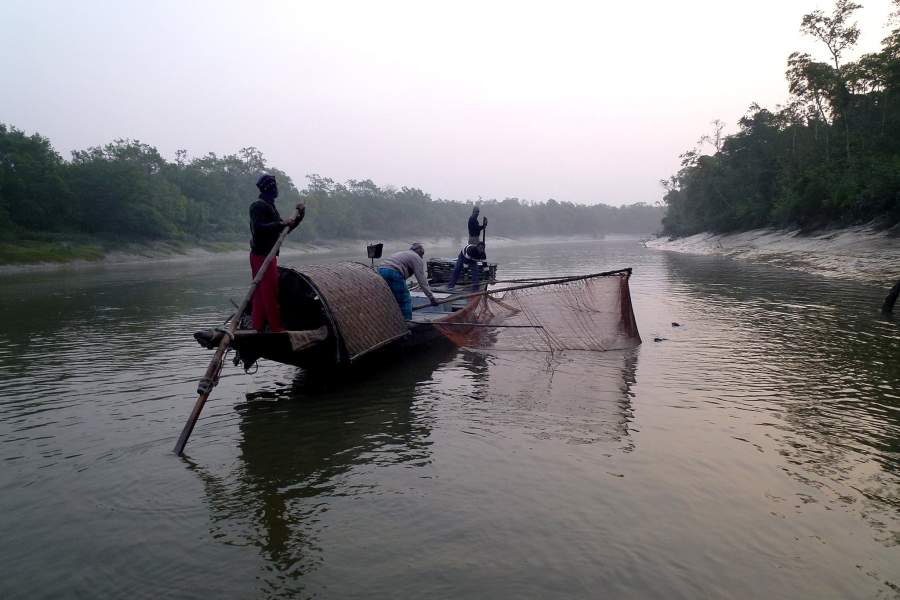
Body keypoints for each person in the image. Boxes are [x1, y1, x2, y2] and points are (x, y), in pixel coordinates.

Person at [249, 174, 304, 333]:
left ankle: (257, 326)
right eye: (275, 187)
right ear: (270, 188)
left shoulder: (270, 206)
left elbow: (283, 230)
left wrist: (300, 216)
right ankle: (276, 328)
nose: (277, 190)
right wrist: (281, 223)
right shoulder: (258, 206)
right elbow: (259, 228)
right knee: (269, 292)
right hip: (261, 255)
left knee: (261, 292)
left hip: (269, 255)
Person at [378, 243, 438, 319]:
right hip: (393, 272)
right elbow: (422, 280)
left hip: (380, 271)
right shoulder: (416, 258)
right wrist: (431, 298)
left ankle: (390, 320)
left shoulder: (403, 253)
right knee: (405, 300)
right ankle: (407, 322)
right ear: (418, 252)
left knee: (391, 298)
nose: (422, 257)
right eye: (422, 254)